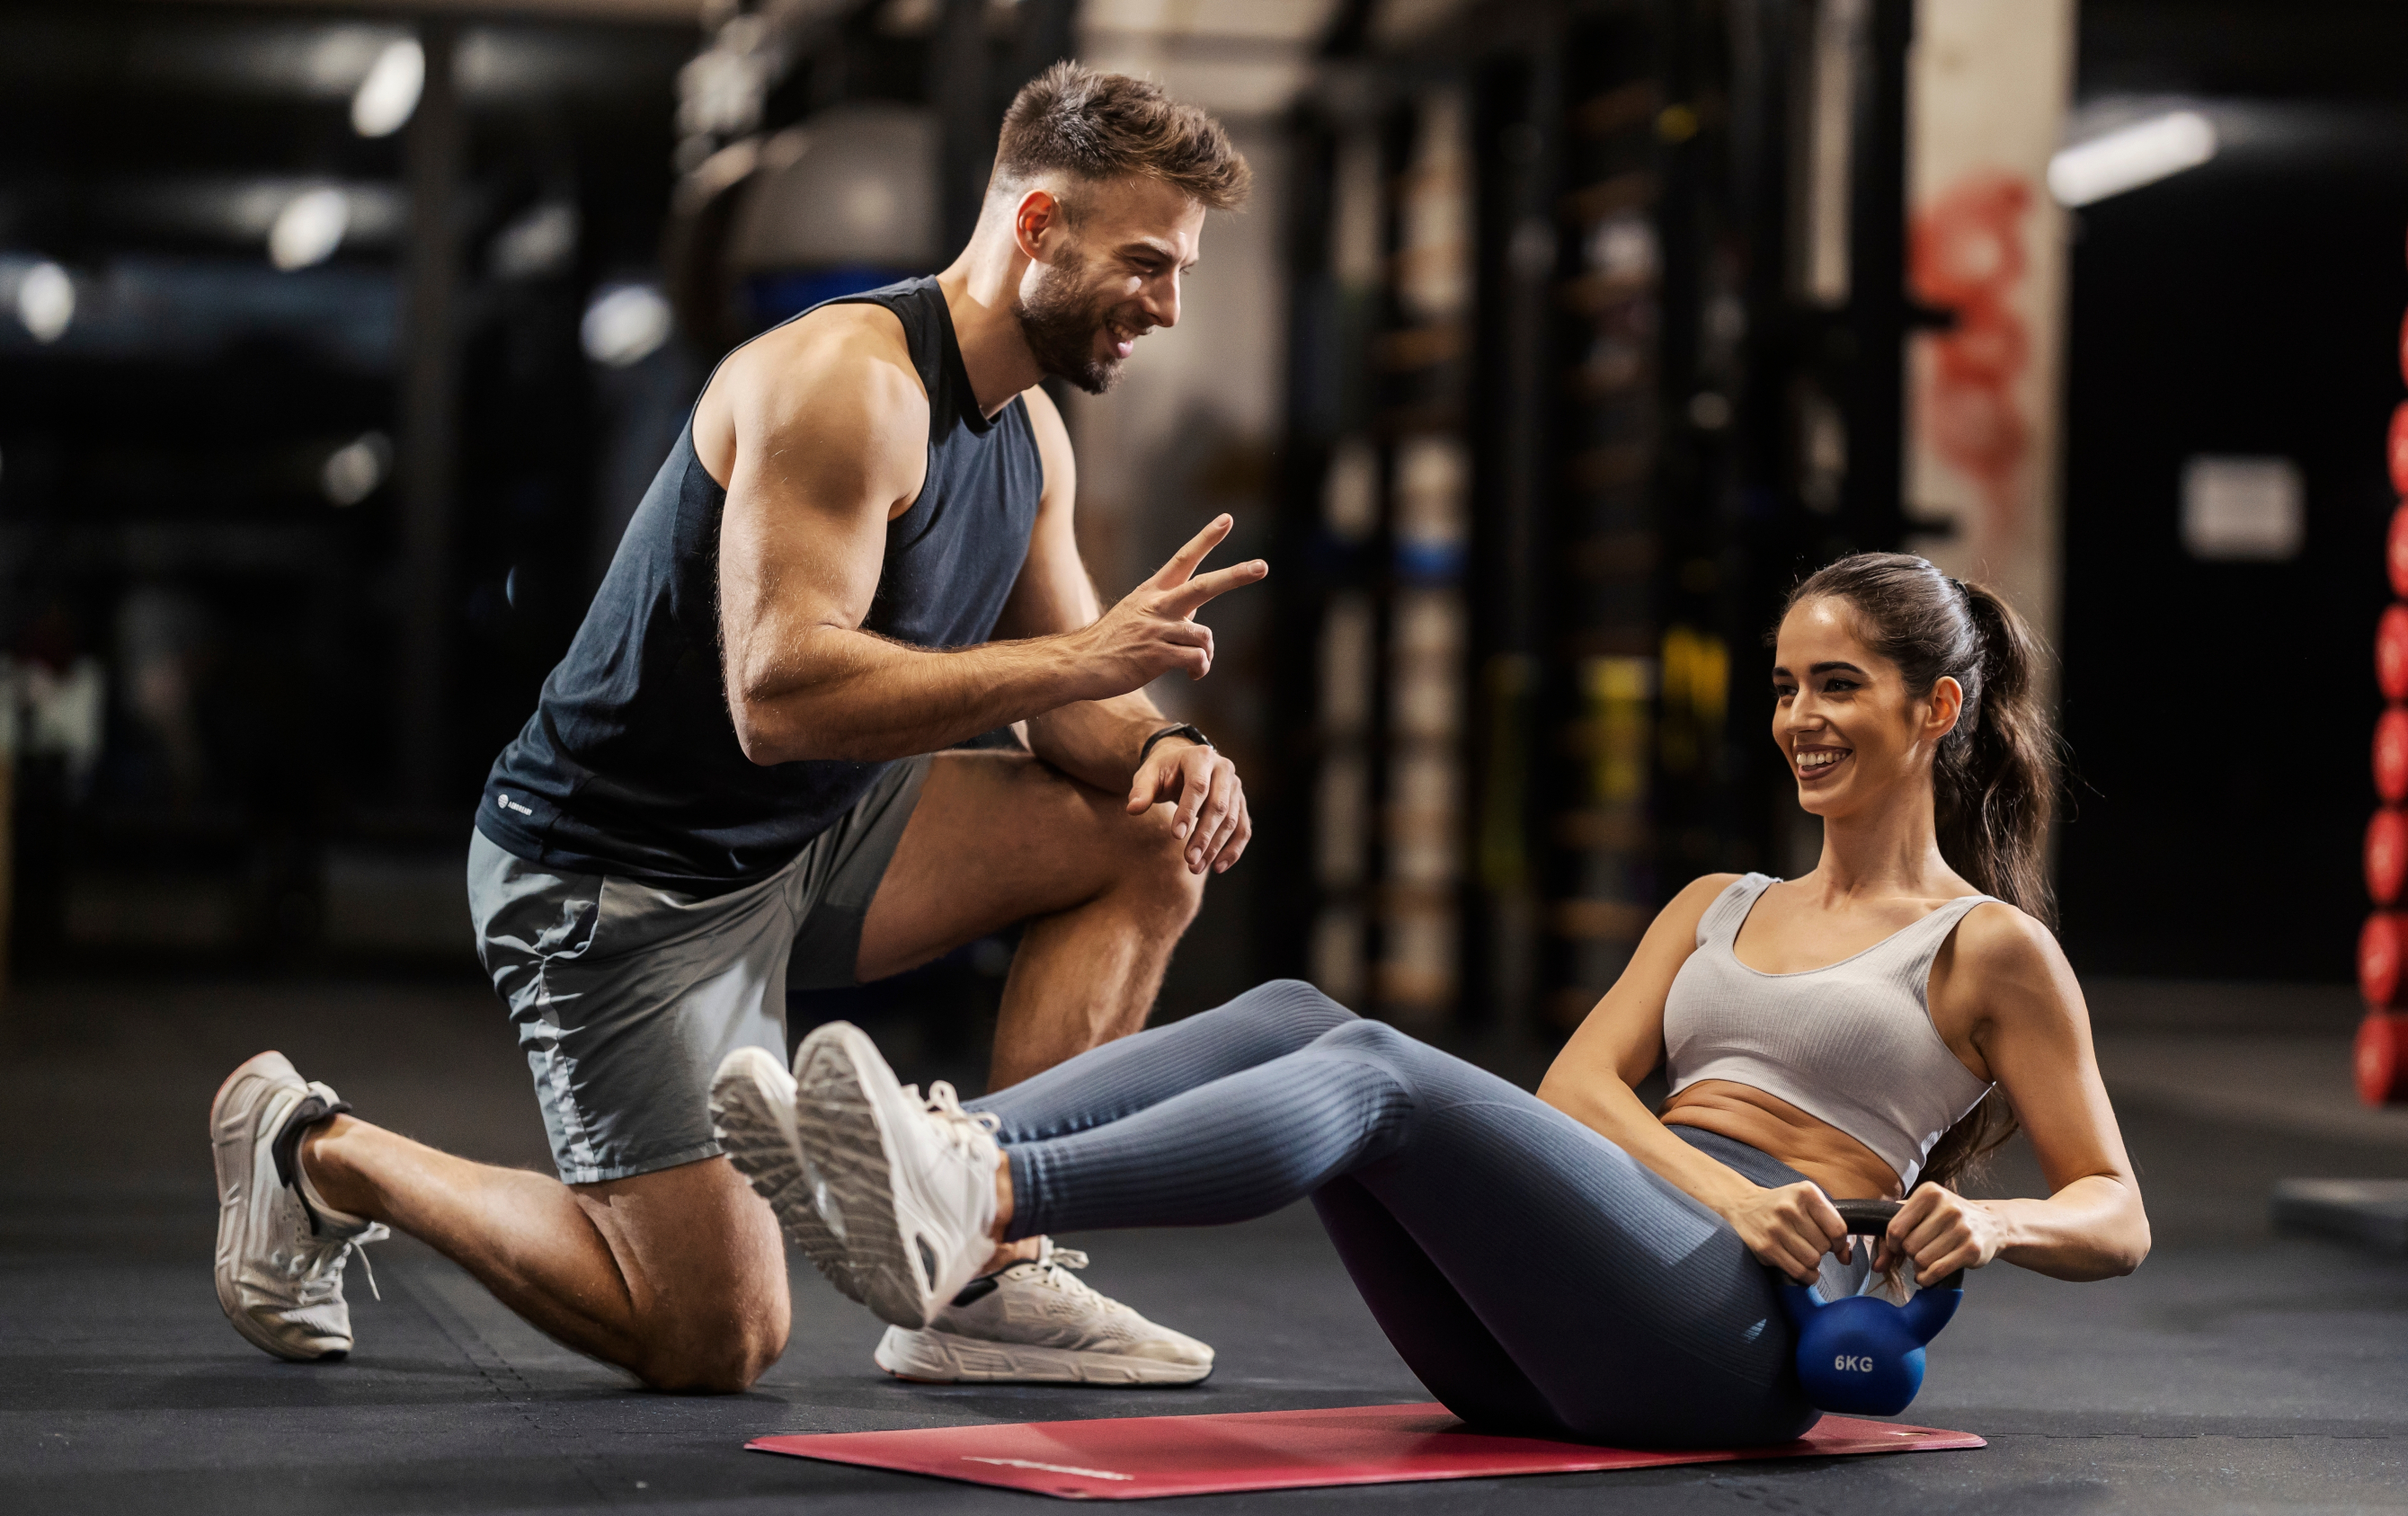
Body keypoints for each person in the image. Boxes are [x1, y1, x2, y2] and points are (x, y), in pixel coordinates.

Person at [210, 65, 1265, 1393]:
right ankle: (316, 1153)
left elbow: (1078, 705)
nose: (1168, 307)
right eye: (1149, 264)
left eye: (1182, 273)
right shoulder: (848, 383)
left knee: (1150, 834)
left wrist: (1167, 747)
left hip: (811, 836)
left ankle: (988, 1266)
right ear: (1038, 223)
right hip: (619, 876)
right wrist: (1079, 661)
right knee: (714, 1340)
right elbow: (778, 698)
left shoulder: (1031, 436)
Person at [736, 552, 2151, 1447]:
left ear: (1939, 712)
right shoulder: (1718, 902)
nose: (1799, 718)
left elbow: (2116, 1211)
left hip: (1736, 1339)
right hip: (1584, 1302)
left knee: (1377, 1080)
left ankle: (982, 1193)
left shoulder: (1987, 948)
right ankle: (931, 1150)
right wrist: (1714, 1191)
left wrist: (2001, 1218)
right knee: (1297, 1008)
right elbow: (1577, 1095)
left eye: (1839, 685)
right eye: (1786, 686)